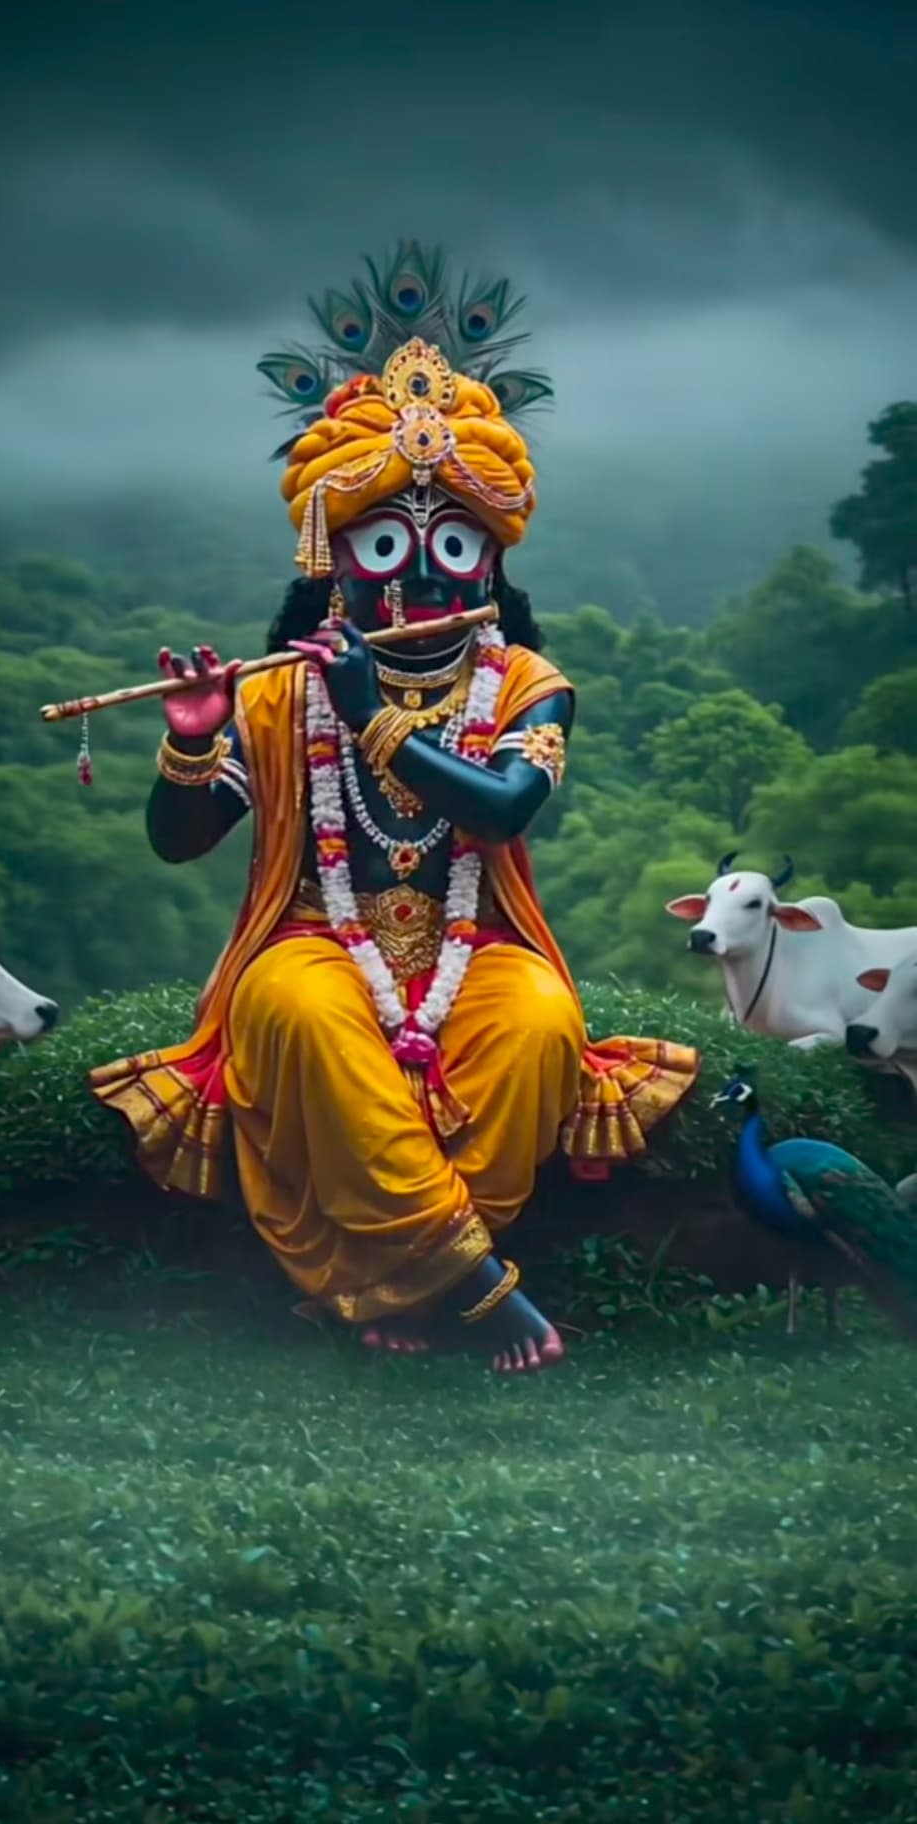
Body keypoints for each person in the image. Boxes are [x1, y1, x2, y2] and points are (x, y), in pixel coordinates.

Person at [90, 244, 698, 1372]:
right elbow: (183, 843)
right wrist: (188, 740)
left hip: (481, 946)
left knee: (538, 1029)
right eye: (386, 545)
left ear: (489, 565)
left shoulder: (524, 682)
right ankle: (475, 1285)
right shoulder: (279, 691)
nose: (422, 575)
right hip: (316, 941)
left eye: (453, 546)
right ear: (336, 567)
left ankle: (392, 1279)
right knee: (311, 1018)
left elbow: (506, 810)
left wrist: (377, 716)